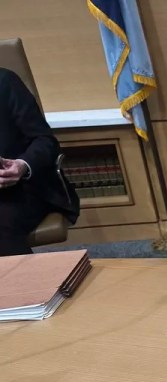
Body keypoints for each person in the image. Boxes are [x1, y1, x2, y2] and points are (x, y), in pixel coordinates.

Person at [0, 67, 79, 257]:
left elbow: (45, 140)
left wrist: (21, 165)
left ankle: (27, 285)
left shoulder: (5, 82)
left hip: (21, 188)